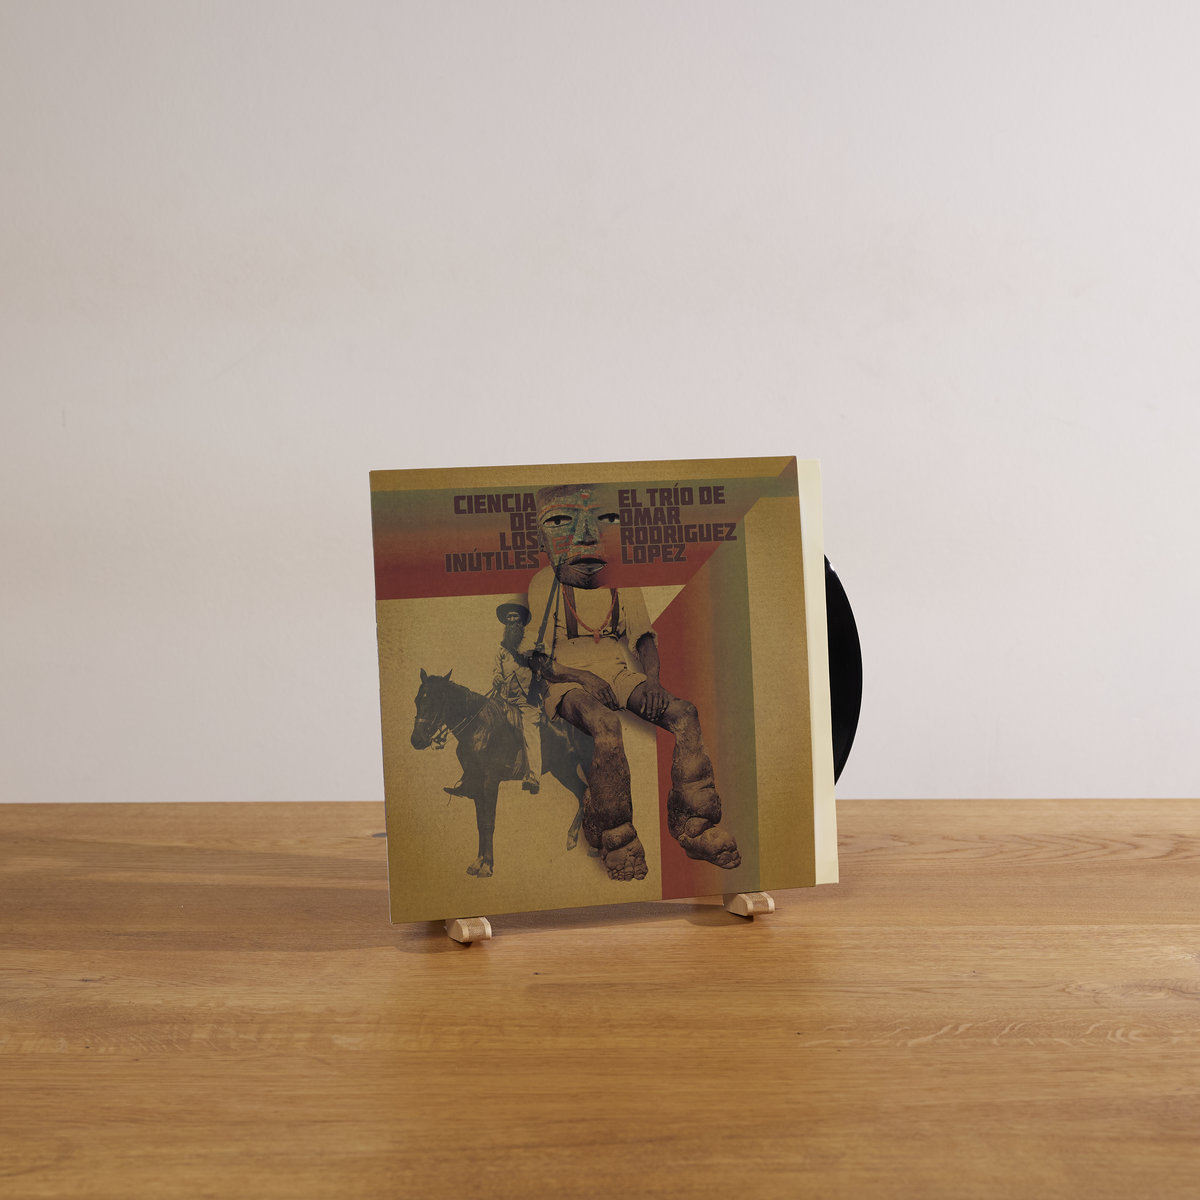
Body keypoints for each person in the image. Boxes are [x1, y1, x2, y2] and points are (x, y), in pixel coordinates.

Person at [519, 483, 741, 882]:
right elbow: (537, 658)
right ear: (542, 538)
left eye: (605, 520)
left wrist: (652, 680)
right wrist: (581, 676)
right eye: (561, 522)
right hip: (566, 678)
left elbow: (642, 637)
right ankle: (616, 834)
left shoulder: (622, 581)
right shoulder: (544, 584)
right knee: (606, 725)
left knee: (685, 714)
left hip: (617, 673)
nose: (586, 535)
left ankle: (695, 825)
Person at [494, 602, 542, 794]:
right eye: (509, 618)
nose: (512, 620)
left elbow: (548, 658)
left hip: (527, 698)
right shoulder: (501, 648)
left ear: (521, 621)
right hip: (505, 698)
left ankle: (533, 777)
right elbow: (496, 670)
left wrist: (539, 654)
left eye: (515, 617)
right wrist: (497, 678)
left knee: (530, 731)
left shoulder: (534, 639)